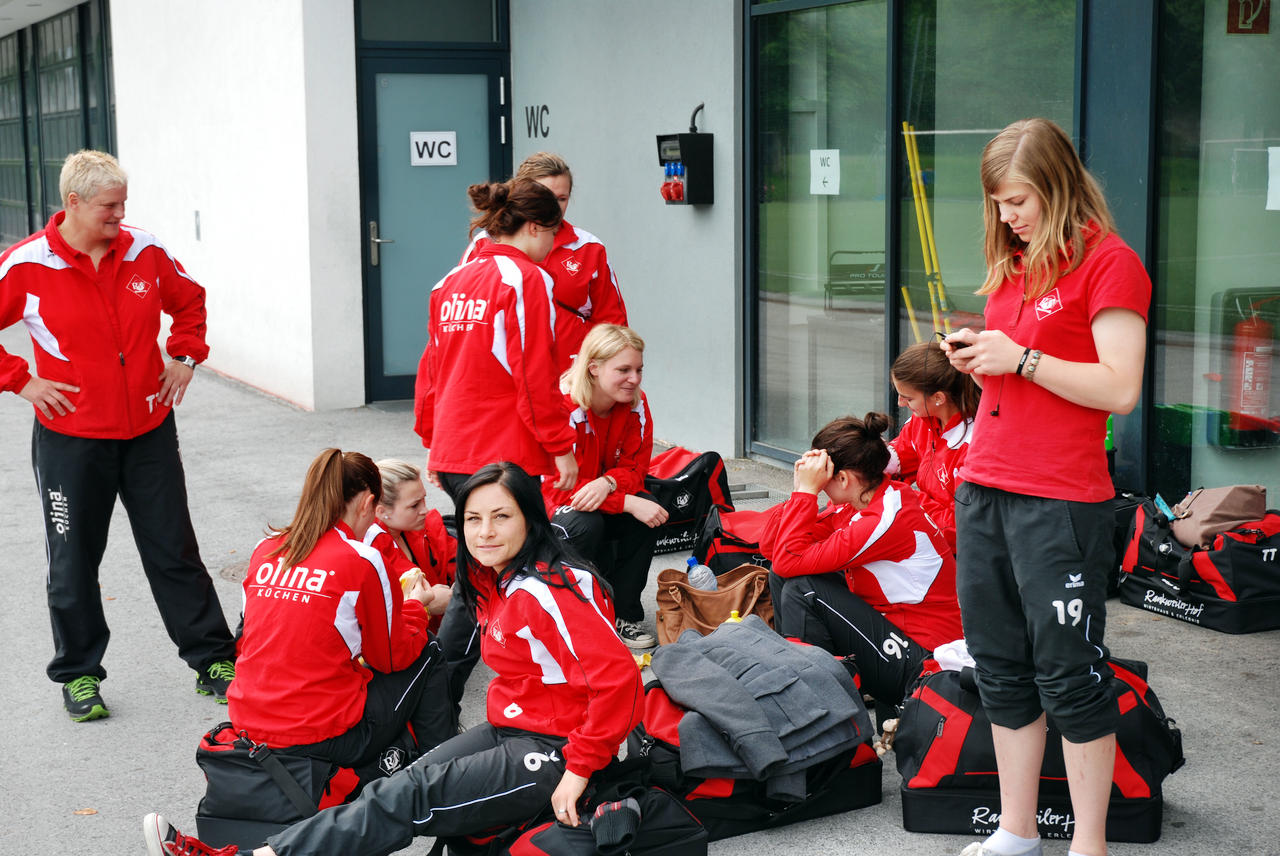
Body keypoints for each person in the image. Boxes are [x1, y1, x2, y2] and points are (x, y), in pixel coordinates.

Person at [144, 462, 645, 856]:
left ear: (530, 519)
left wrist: (579, 769)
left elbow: (620, 681)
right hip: (512, 729)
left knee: (407, 796)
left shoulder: (548, 590)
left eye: (501, 517)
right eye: (473, 519)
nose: (484, 532)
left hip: (560, 747)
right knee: (396, 786)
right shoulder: (497, 579)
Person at [942, 118, 1150, 856]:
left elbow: (1120, 389)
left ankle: (1088, 845)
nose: (1008, 217)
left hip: (1059, 500)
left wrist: (1021, 359)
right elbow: (1026, 369)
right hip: (985, 486)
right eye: (998, 203)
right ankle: (1016, 831)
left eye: (1019, 201)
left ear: (1058, 186)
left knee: (1070, 675)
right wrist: (981, 359)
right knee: (999, 668)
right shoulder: (1019, 261)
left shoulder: (1111, 262)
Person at [0, 149, 235, 721]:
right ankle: (79, 674)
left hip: (149, 430)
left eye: (124, 203)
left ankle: (213, 660)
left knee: (175, 549)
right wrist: (22, 381)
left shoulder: (144, 251)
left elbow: (190, 302)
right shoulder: (26, 265)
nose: (120, 214)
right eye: (110, 205)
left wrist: (184, 356)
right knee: (73, 560)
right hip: (71, 439)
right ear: (73, 202)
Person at [226, 449, 455, 775]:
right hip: (322, 734)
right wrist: (417, 607)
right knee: (428, 649)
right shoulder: (361, 558)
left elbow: (249, 635)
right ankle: (443, 777)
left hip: (247, 722)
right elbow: (393, 658)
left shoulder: (265, 548)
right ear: (367, 504)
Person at [759, 413, 962, 708]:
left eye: (822, 478)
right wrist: (799, 490)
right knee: (785, 578)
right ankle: (806, 688)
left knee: (804, 590)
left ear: (843, 479)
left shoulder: (884, 520)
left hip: (926, 665)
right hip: (892, 631)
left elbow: (788, 559)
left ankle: (818, 709)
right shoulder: (864, 498)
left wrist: (806, 493)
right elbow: (774, 550)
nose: (818, 485)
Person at [414, 177, 578, 503]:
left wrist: (435, 442)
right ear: (534, 227)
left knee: (473, 536)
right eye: (553, 232)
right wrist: (560, 446)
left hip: (453, 451)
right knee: (519, 537)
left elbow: (430, 375)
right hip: (504, 456)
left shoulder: (450, 281)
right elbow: (535, 376)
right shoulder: (527, 279)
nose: (553, 244)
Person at [543, 324, 668, 649]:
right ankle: (571, 620)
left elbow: (636, 469)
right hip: (550, 510)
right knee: (586, 523)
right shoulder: (562, 407)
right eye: (623, 370)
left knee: (649, 512)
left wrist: (607, 482)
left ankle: (623, 615)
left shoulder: (636, 404)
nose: (634, 379)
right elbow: (558, 489)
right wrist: (624, 502)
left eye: (639, 369)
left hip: (600, 495)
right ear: (594, 368)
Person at [461, 152, 627, 373]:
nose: (555, 207)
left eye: (562, 199)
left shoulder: (588, 247)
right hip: (508, 378)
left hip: (574, 378)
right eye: (545, 197)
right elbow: (467, 320)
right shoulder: (485, 244)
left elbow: (612, 324)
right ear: (521, 194)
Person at [887, 340, 981, 551]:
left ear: (938, 397)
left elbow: (962, 528)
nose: (900, 403)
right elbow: (897, 458)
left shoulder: (973, 447)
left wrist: (906, 499)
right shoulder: (922, 420)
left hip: (954, 554)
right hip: (927, 536)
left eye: (908, 398)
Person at [364, 458, 455, 634]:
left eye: (423, 499)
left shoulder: (423, 528)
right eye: (414, 505)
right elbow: (374, 621)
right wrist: (427, 607)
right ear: (381, 511)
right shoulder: (369, 552)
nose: (425, 510)